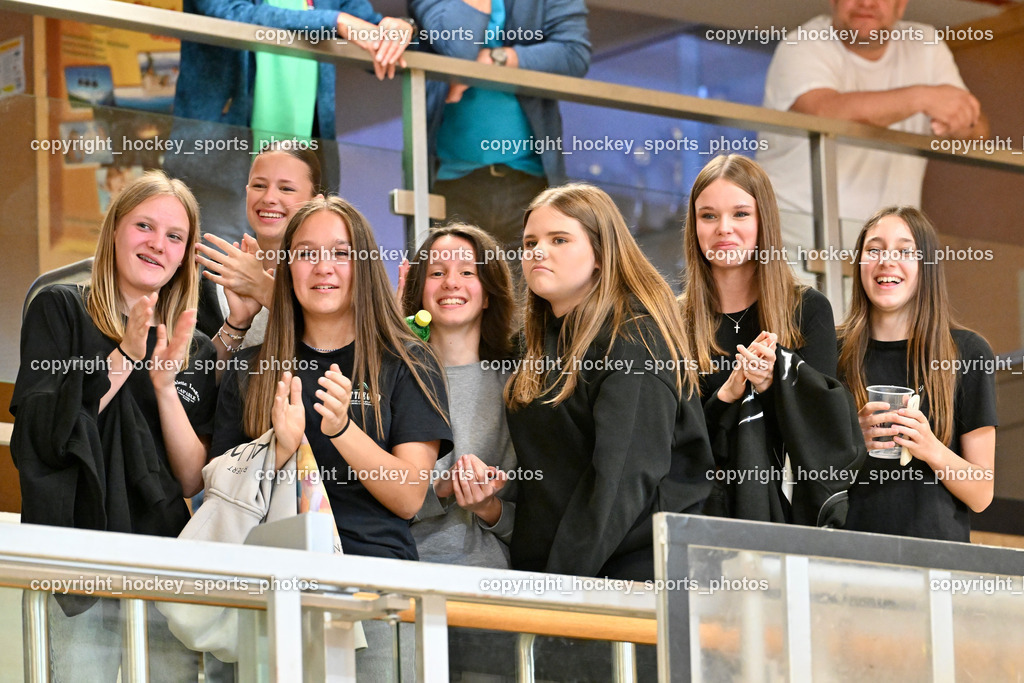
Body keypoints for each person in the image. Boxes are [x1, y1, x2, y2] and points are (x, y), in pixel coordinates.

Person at [211, 195, 452, 677]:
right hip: (270, 591)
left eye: (341, 253)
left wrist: (342, 429)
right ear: (287, 267)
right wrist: (280, 449)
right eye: (306, 253)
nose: (323, 267)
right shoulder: (252, 368)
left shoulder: (407, 360)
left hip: (375, 593)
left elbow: (410, 494)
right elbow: (217, 490)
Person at [11, 171, 217, 681]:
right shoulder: (59, 309)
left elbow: (191, 478)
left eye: (174, 236)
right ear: (115, 230)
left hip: (164, 564)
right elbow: (43, 434)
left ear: (185, 255)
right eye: (144, 226)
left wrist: (164, 385)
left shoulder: (195, 347)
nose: (157, 244)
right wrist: (124, 356)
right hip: (77, 558)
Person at [505, 183, 713, 581]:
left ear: (601, 255)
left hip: (629, 577)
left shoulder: (634, 339)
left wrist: (562, 584)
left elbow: (623, 482)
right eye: (530, 242)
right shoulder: (535, 345)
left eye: (559, 239)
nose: (537, 252)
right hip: (549, 573)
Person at [680, 155, 862, 525]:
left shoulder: (807, 309)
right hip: (690, 513)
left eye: (740, 214)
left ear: (764, 220)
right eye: (708, 216)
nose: (724, 229)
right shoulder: (672, 319)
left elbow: (825, 435)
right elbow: (669, 439)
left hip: (782, 521)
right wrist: (725, 397)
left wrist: (774, 385)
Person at [168, 0, 414, 245]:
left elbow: (376, 35)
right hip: (221, 168)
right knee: (219, 267)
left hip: (299, 180)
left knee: (293, 268)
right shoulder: (333, 19)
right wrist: (334, 21)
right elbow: (229, 13)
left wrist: (403, 28)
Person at [757, 0, 990, 251]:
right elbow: (825, 112)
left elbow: (978, 129)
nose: (867, 3)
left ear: (901, 5)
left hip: (888, 249)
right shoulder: (802, 44)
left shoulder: (926, 44)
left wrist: (960, 124)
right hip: (795, 244)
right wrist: (920, 98)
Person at [838, 206, 996, 542]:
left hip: (936, 560)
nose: (887, 261)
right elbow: (807, 478)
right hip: (846, 554)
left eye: (904, 251)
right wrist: (852, 441)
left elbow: (982, 493)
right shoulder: (831, 351)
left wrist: (930, 447)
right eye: (874, 250)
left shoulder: (967, 352)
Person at [409, 0, 590, 250]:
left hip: (531, 181)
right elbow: (458, 49)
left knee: (534, 275)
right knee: (449, 274)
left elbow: (574, 53)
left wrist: (494, 59)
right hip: (450, 183)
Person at [402, 224, 518, 568]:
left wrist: (488, 507)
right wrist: (438, 491)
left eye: (467, 272)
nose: (451, 283)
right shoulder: (392, 379)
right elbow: (361, 504)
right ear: (419, 293)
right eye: (437, 273)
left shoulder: (518, 389)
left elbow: (540, 524)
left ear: (488, 295)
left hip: (491, 585)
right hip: (400, 576)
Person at [196, 142, 322, 368]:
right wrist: (237, 324)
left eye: (286, 189)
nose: (269, 198)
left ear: (316, 203)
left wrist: (264, 290)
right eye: (259, 185)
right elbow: (199, 382)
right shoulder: (218, 279)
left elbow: (336, 347)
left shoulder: (333, 274)